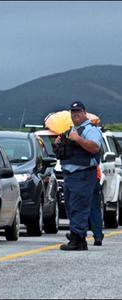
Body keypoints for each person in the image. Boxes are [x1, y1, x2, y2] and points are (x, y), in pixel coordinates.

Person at [54, 101, 103, 251]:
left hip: (83, 174)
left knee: (78, 205)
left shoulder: (90, 130)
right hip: (70, 174)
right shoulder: (71, 131)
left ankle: (77, 238)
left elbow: (95, 147)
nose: (75, 114)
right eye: (73, 112)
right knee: (70, 205)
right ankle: (79, 237)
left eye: (78, 111)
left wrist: (78, 139)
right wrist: (58, 144)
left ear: (85, 113)